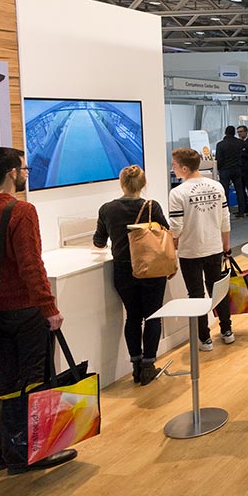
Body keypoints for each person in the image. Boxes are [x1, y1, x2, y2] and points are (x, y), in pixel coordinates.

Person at [0, 147, 75, 475]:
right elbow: (30, 265)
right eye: (24, 169)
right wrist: (49, 307)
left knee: (2, 380)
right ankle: (31, 452)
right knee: (33, 381)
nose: (26, 173)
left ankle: (5, 451)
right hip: (25, 310)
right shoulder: (21, 211)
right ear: (12, 172)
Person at [93, 165, 169, 386]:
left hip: (123, 270)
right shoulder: (152, 206)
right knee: (153, 316)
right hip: (151, 268)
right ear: (143, 184)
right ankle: (148, 365)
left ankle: (136, 366)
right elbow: (166, 232)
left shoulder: (107, 209)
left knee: (133, 317)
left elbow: (99, 242)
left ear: (122, 184)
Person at [169, 148, 233, 351]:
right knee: (217, 291)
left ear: (184, 168)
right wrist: (226, 245)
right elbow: (225, 219)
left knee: (196, 295)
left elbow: (176, 226)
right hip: (214, 247)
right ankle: (227, 330)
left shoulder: (177, 192)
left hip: (190, 251)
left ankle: (205, 339)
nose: (172, 168)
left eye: (174, 165)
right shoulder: (216, 186)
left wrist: (172, 242)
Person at [215, 125, 248, 218]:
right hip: (237, 169)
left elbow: (219, 159)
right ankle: (241, 211)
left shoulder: (220, 144)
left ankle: (225, 212)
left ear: (225, 133)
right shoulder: (240, 142)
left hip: (225, 170)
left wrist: (219, 168)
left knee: (225, 192)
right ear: (234, 133)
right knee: (239, 191)